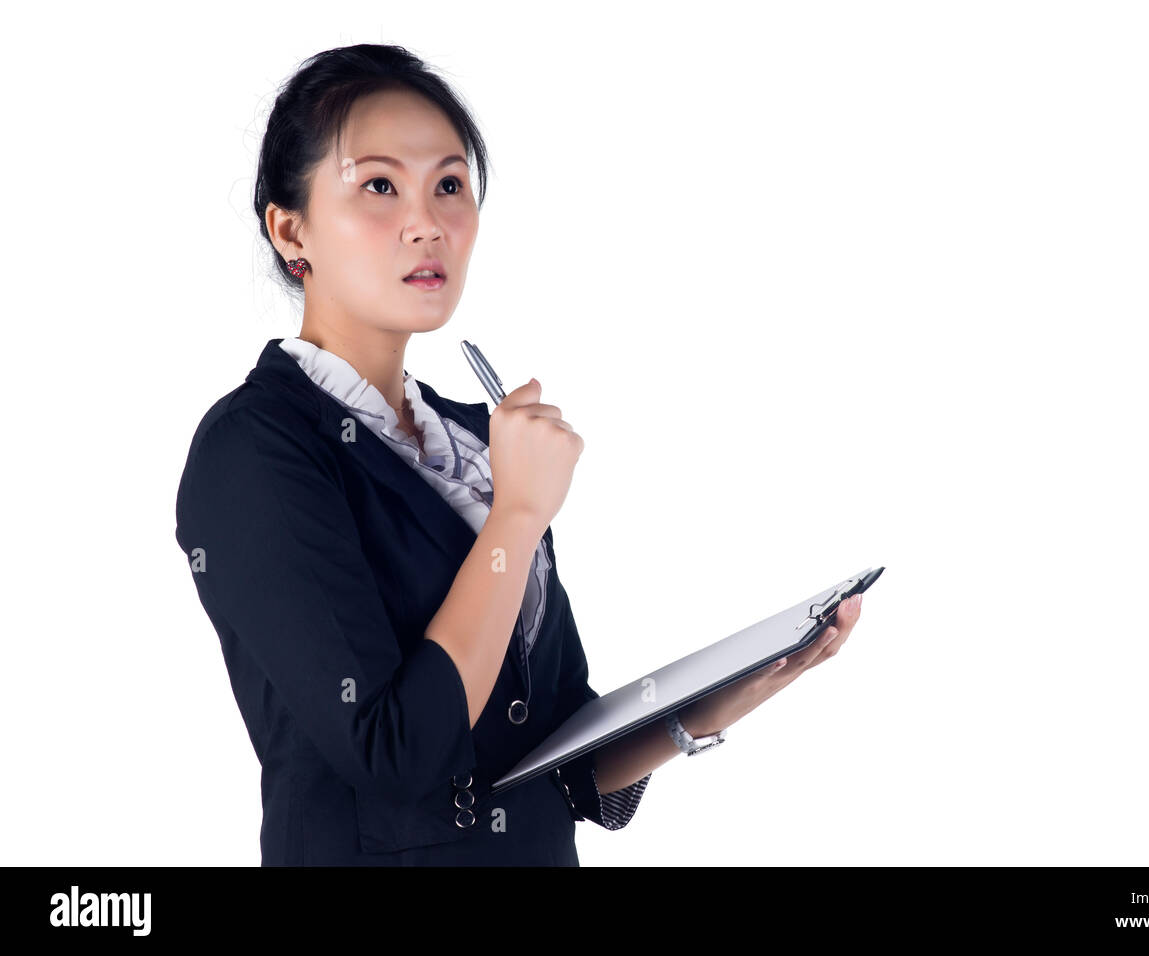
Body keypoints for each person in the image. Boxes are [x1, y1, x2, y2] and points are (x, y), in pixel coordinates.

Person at [174, 43, 864, 866]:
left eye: (450, 185)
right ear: (292, 231)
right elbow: (396, 754)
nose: (427, 221)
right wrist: (516, 517)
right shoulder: (254, 450)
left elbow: (567, 769)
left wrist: (739, 689)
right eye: (379, 185)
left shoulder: (479, 437)